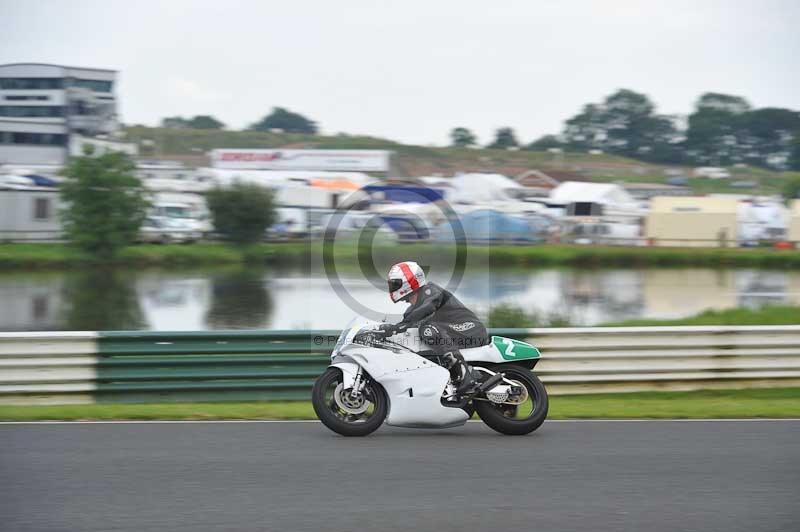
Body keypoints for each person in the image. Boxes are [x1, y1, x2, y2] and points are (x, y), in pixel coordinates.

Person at [376, 261, 489, 395]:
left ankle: (465, 375)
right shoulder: (410, 311)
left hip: (471, 329)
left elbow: (428, 307)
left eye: (395, 284)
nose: (392, 287)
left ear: (410, 281)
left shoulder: (430, 291)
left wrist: (400, 325)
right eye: (392, 284)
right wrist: (386, 331)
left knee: (427, 330)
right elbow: (406, 325)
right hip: (456, 333)